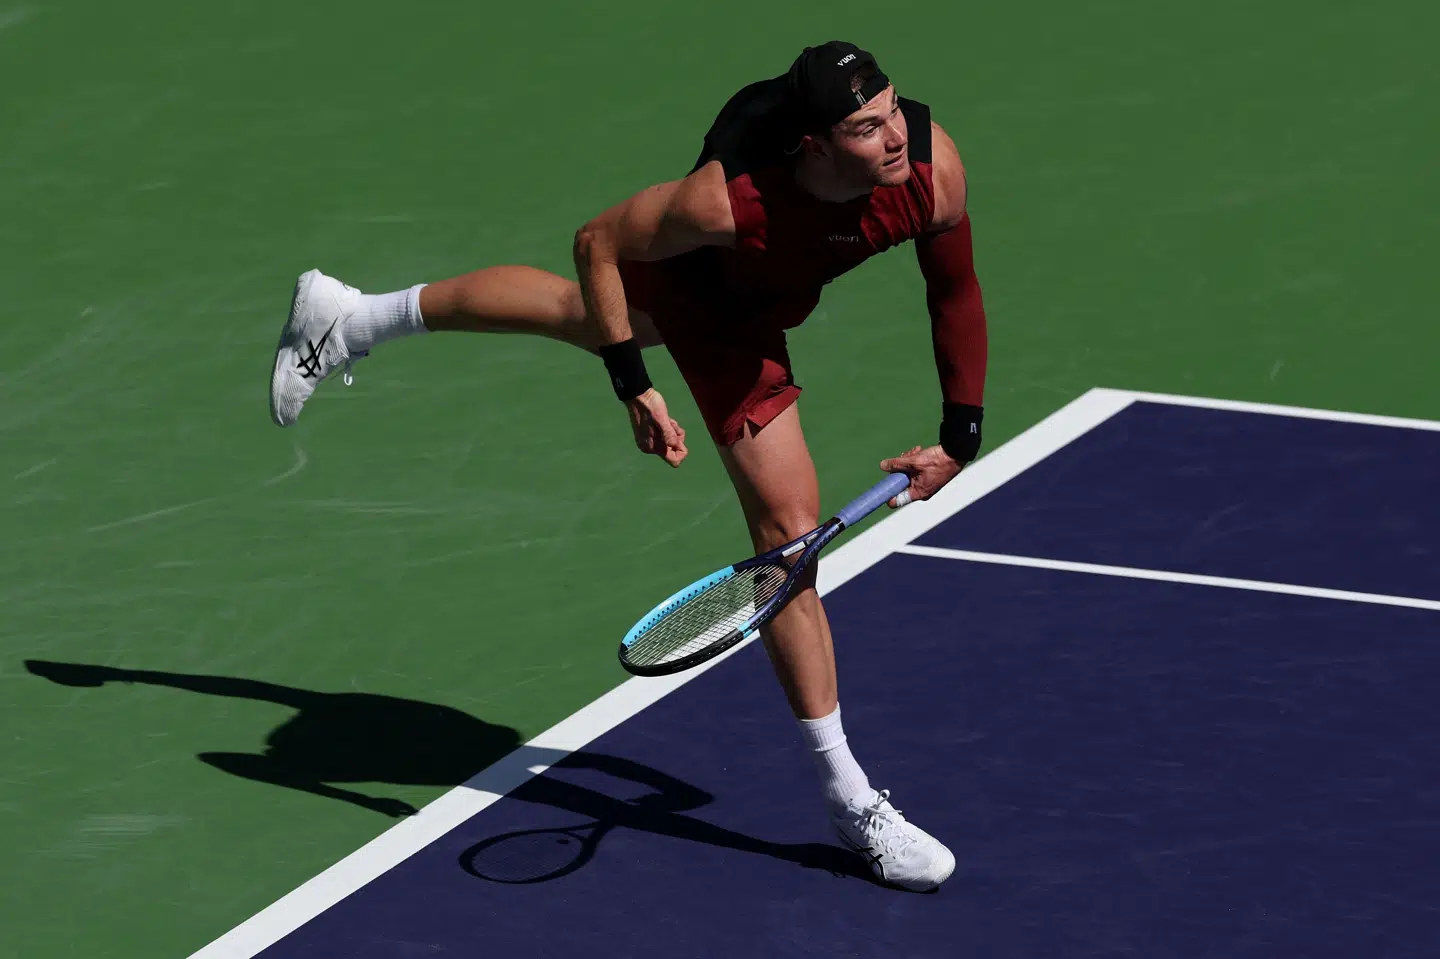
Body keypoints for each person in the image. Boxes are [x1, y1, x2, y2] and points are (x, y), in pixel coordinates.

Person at [267, 41, 987, 891]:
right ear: (814, 147)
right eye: (867, 128)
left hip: (775, 281)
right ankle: (851, 799)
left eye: (894, 110)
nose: (896, 136)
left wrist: (959, 437)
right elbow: (597, 240)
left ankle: (350, 317)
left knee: (580, 314)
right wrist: (635, 388)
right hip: (713, 301)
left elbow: (953, 291)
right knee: (789, 541)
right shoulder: (724, 203)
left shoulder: (931, 169)